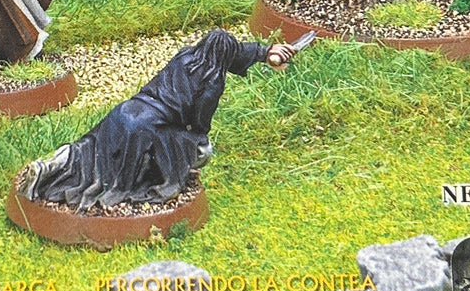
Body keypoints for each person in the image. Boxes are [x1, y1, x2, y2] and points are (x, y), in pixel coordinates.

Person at [20, 30, 295, 212]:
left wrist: (264, 53)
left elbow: (227, 52)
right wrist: (192, 143)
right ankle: (150, 176)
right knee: (196, 149)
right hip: (149, 126)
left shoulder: (186, 54)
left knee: (90, 149)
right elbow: (200, 123)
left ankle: (52, 166)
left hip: (128, 109)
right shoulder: (212, 81)